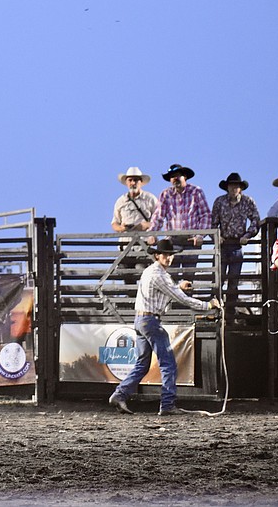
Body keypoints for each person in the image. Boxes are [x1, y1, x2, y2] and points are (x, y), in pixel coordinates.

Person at [108, 239, 222, 416]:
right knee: (168, 364)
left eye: (170, 255)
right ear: (157, 256)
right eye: (166, 255)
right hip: (151, 321)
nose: (169, 258)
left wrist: (178, 287)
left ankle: (119, 394)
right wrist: (207, 305)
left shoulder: (150, 272)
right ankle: (167, 404)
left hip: (141, 320)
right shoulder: (159, 275)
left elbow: (166, 293)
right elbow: (180, 298)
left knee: (142, 364)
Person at [211, 172, 260, 322]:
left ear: (240, 188)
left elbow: (256, 220)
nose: (233, 188)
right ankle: (216, 313)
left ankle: (230, 315)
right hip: (222, 244)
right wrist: (217, 236)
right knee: (218, 280)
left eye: (236, 186)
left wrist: (247, 235)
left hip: (237, 244)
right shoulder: (219, 202)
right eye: (231, 186)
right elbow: (213, 223)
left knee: (234, 282)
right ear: (227, 187)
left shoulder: (248, 201)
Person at [150, 163, 211, 277]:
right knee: (171, 277)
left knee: (188, 277)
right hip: (172, 241)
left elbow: (206, 215)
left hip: (191, 240)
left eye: (177, 175)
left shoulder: (196, 191)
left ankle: (186, 293)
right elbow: (158, 216)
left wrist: (200, 235)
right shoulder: (165, 194)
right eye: (172, 177)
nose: (175, 179)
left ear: (185, 177)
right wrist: (152, 233)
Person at [111, 166, 159, 287]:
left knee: (142, 272)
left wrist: (145, 226)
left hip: (143, 245)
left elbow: (159, 220)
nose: (133, 182)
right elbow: (114, 223)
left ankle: (142, 302)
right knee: (125, 273)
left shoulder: (150, 199)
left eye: (136, 180)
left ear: (141, 182)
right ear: (126, 182)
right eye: (130, 180)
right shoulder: (120, 201)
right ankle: (130, 302)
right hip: (125, 245)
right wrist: (122, 228)